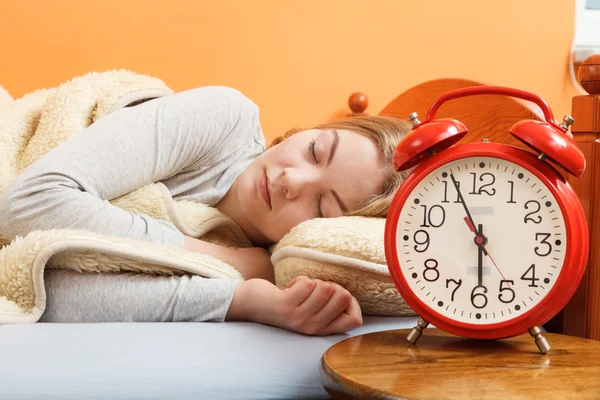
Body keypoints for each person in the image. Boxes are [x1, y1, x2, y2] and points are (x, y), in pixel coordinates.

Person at [0, 86, 411, 335]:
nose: (293, 180)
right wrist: (225, 260)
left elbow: (40, 287)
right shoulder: (223, 119)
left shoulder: (270, 272)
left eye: (321, 207)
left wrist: (241, 301)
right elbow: (25, 204)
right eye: (314, 149)